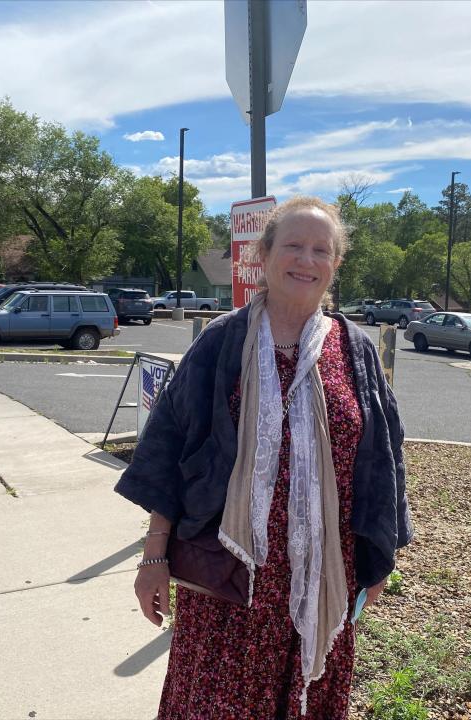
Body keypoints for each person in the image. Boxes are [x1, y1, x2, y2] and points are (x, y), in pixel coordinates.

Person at [115, 196, 414, 719]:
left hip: (322, 581)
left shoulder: (355, 351)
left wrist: (378, 557)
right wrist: (154, 557)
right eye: (294, 245)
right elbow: (169, 454)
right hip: (228, 586)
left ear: (335, 265)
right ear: (265, 255)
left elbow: (384, 463)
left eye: (321, 249)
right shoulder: (221, 343)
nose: (307, 259)